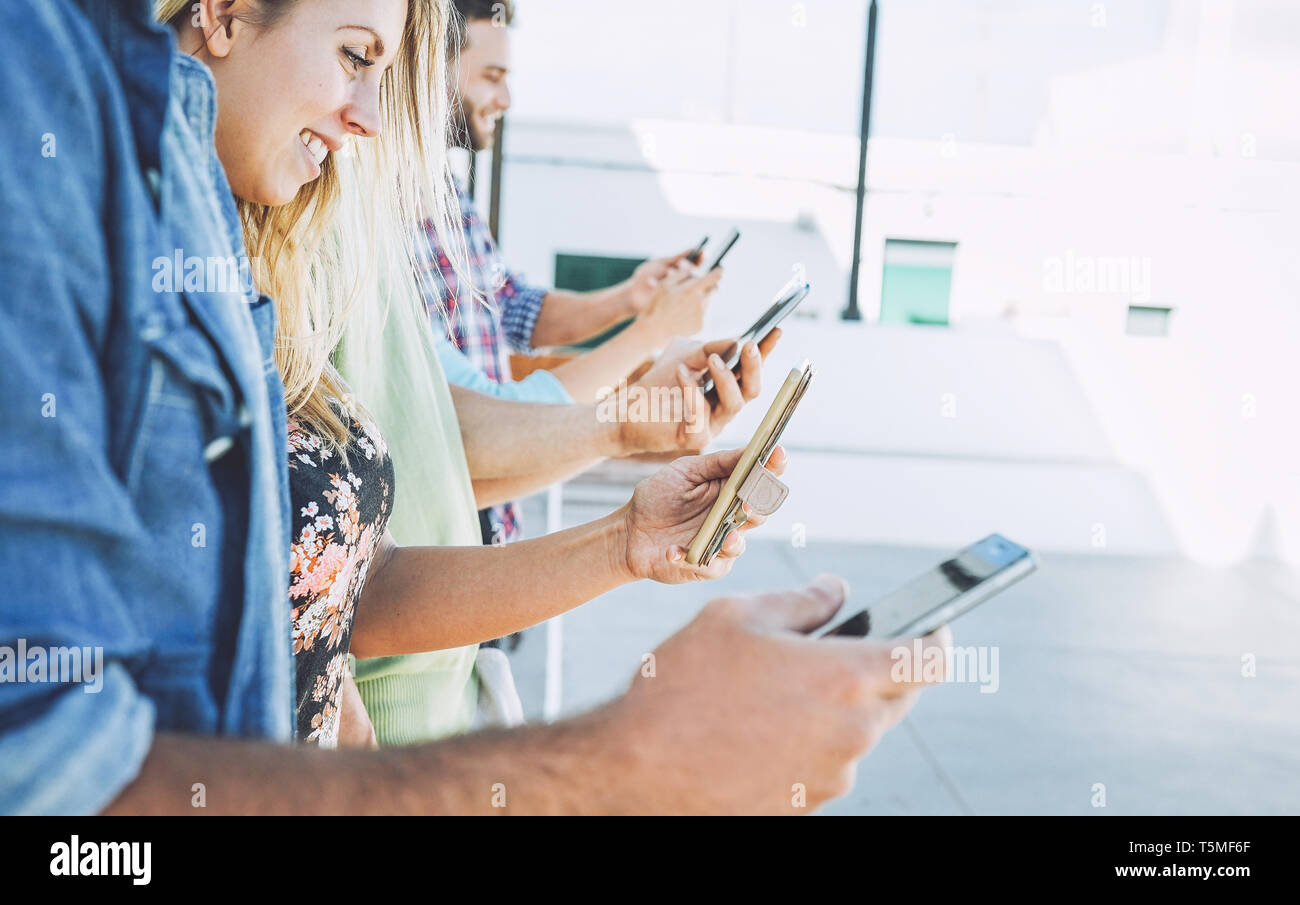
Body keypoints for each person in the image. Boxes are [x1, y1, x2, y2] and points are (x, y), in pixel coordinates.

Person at [0, 0, 949, 816]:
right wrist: (629, 765)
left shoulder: (234, 221)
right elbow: (55, 782)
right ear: (221, 11)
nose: (370, 116)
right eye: (356, 55)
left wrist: (624, 536)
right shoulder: (52, 113)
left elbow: (339, 592)